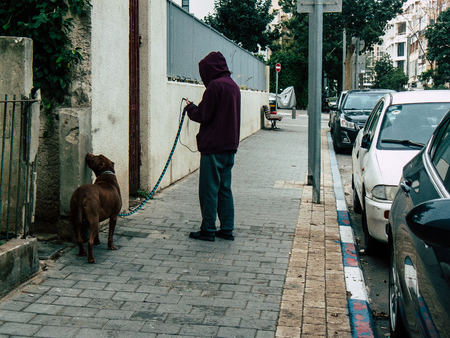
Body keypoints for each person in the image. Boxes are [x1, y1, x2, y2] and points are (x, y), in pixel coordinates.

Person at [184, 51, 241, 242]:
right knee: (225, 188)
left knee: (209, 189)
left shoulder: (215, 87)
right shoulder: (233, 86)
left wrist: (190, 108)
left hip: (213, 147)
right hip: (229, 146)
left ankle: (208, 229)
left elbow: (204, 115)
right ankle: (227, 228)